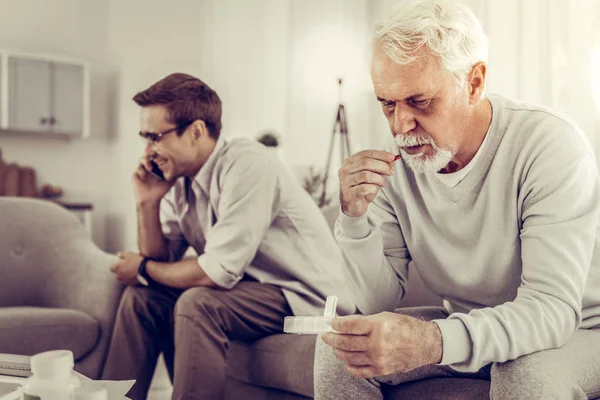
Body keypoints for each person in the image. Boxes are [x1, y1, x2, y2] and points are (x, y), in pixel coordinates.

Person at [314, 0, 600, 399]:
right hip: (469, 322)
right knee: (344, 350)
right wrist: (354, 217)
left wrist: (433, 340)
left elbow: (551, 311)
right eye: (387, 103)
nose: (401, 126)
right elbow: (377, 300)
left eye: (420, 101)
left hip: (581, 327)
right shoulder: (396, 162)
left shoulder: (549, 145)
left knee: (522, 370)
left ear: (474, 82)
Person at [101, 72, 355, 400]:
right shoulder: (180, 180)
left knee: (199, 302)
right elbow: (162, 261)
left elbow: (214, 273)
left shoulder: (246, 165)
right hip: (249, 292)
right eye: (145, 138)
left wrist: (141, 269)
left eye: (155, 137)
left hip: (304, 295)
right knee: (143, 300)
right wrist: (147, 202)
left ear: (195, 131)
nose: (148, 151)